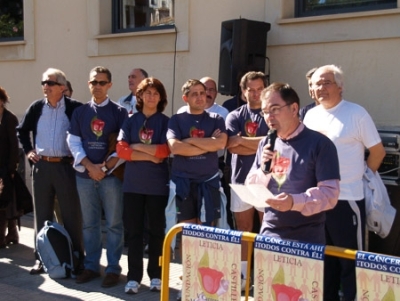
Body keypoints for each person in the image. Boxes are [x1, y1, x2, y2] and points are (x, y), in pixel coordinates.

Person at [303, 64, 386, 301]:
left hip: (347, 199)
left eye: (326, 82)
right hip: (317, 200)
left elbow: (377, 152)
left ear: (340, 86)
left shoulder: (356, 113)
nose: (320, 88)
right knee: (324, 259)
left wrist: (360, 176)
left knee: (350, 260)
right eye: (317, 83)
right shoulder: (310, 115)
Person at [247, 82, 340, 243]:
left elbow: (330, 195)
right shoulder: (267, 143)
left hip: (306, 235)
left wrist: (294, 202)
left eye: (275, 109)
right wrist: (263, 170)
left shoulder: (320, 144)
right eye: (265, 112)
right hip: (270, 231)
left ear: (294, 109)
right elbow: (253, 188)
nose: (269, 117)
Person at [16, 68, 84, 275]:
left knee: (71, 216)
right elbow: (22, 130)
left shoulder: (75, 109)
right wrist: (28, 152)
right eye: (43, 83)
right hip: (42, 167)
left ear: (62, 88)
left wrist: (79, 155)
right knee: (42, 215)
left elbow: (86, 134)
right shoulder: (37, 107)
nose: (45, 86)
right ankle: (41, 258)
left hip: (65, 167)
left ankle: (76, 258)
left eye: (50, 83)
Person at [67, 66, 128, 287]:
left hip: (110, 178)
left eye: (102, 82)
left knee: (113, 224)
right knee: (89, 224)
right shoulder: (80, 112)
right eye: (94, 82)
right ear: (89, 84)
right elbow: (73, 142)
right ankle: (91, 266)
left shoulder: (119, 112)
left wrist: (104, 169)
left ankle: (113, 269)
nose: (98, 86)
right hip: (84, 176)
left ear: (110, 85)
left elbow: (123, 144)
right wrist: (89, 166)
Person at [116, 77, 170, 294]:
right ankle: (133, 277)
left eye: (155, 93)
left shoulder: (166, 122)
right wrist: (149, 153)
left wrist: (136, 148)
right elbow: (121, 150)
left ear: (161, 98)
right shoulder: (130, 121)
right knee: (134, 233)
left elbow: (165, 151)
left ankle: (156, 276)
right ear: (139, 96)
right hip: (133, 186)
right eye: (147, 93)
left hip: (157, 186)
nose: (151, 97)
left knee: (157, 232)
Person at [225, 71, 268, 288]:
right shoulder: (234, 115)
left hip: (267, 184)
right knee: (243, 231)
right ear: (243, 92)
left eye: (260, 89)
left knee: (267, 230)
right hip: (240, 181)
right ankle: (243, 279)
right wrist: (263, 142)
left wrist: (244, 142)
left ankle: (265, 278)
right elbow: (231, 145)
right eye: (250, 89)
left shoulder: (273, 114)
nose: (255, 93)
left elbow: (275, 143)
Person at [167, 79, 227, 226]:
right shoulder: (176, 120)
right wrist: (209, 142)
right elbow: (175, 148)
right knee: (186, 231)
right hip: (183, 181)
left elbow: (221, 143)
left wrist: (187, 141)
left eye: (202, 93)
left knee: (206, 232)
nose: (200, 97)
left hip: (208, 181)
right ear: (185, 98)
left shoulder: (216, 119)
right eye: (195, 94)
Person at [0, 87, 20, 248]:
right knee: (7, 202)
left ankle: (1, 238)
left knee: (3, 203)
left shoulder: (9, 119)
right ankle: (12, 232)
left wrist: (11, 169)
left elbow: (14, 147)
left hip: (5, 167)